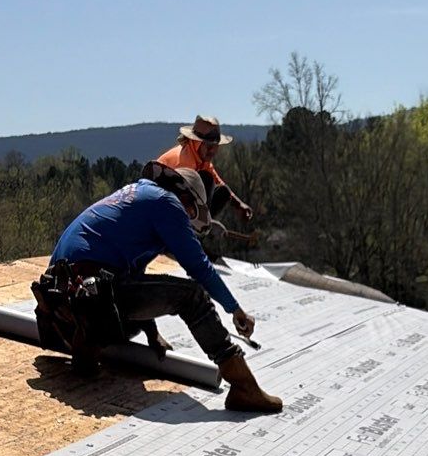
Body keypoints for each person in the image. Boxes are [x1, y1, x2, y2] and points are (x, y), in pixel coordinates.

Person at [38, 165, 281, 414]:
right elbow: (199, 266)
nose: (187, 220)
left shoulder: (137, 195)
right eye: (191, 212)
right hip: (93, 289)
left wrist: (152, 333)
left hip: (62, 293)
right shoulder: (168, 203)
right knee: (193, 296)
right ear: (186, 198)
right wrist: (235, 309)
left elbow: (136, 281)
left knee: (131, 321)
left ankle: (84, 340)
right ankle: (243, 386)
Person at [152, 114, 252, 254]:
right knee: (205, 180)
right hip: (161, 211)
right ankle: (185, 240)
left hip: (183, 207)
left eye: (215, 146)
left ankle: (197, 233)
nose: (212, 151)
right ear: (196, 143)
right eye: (208, 146)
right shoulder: (184, 161)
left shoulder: (201, 159)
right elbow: (180, 198)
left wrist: (239, 205)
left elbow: (218, 181)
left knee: (223, 191)